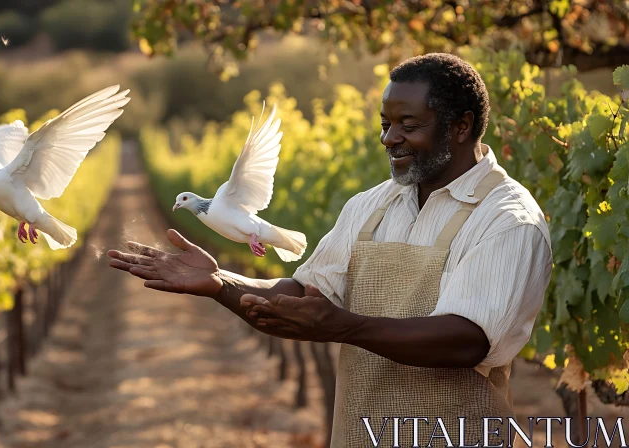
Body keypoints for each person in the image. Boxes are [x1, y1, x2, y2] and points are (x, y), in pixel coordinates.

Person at [107, 53, 552, 447]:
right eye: (385, 124)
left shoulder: (506, 220)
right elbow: (306, 297)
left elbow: (465, 341)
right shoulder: (371, 206)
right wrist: (221, 283)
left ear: (462, 126)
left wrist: (345, 327)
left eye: (408, 125)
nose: (389, 139)